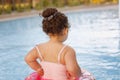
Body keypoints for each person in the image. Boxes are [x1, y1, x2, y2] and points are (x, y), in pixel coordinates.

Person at [25, 8, 95, 80]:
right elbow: (72, 69)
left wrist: (39, 69)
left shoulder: (39, 48)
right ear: (65, 30)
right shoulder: (67, 51)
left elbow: (28, 59)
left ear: (47, 31)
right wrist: (78, 74)